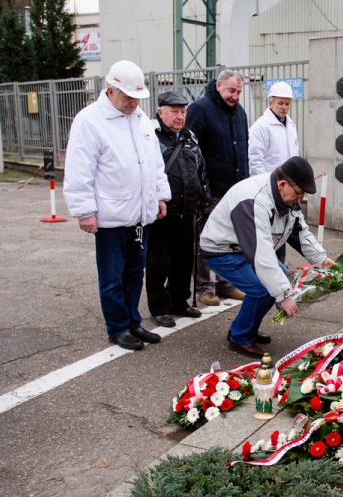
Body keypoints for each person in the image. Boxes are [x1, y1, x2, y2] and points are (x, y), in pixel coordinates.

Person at [63, 60, 172, 351]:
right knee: (113, 276)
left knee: (135, 272)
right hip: (111, 216)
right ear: (110, 90)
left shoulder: (139, 120)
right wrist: (84, 211)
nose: (133, 104)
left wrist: (159, 196)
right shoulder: (90, 121)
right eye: (127, 98)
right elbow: (79, 169)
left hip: (139, 215)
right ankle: (118, 327)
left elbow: (154, 164)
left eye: (137, 98)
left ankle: (133, 322)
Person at [200, 156, 335, 359]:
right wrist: (283, 296)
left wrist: (321, 258)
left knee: (281, 278)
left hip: (243, 248)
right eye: (298, 194)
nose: (300, 200)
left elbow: (299, 231)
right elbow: (261, 254)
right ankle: (241, 338)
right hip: (221, 249)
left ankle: (243, 327)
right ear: (282, 185)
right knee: (262, 290)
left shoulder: (287, 198)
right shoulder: (253, 200)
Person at [145, 91, 211, 327]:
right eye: (174, 111)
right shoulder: (152, 137)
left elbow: (200, 170)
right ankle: (158, 306)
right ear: (160, 112)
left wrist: (204, 201)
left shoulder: (189, 136)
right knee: (158, 262)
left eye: (183, 112)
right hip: (162, 210)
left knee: (184, 259)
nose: (179, 116)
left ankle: (179, 301)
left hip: (188, 208)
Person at [184, 69, 250, 307]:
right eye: (231, 90)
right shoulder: (200, 109)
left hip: (233, 190)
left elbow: (244, 149)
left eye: (239, 92)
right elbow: (189, 151)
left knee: (230, 240)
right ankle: (204, 285)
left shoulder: (239, 113)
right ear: (219, 85)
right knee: (205, 240)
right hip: (209, 190)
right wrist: (197, 187)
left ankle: (226, 283)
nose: (235, 96)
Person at [248, 81, 300, 264]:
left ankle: (279, 271)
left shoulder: (290, 126)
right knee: (267, 235)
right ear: (270, 103)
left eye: (287, 103)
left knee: (283, 231)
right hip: (270, 190)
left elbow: (294, 156)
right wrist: (264, 191)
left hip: (287, 190)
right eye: (280, 103)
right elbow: (256, 161)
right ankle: (267, 274)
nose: (284, 107)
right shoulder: (261, 127)